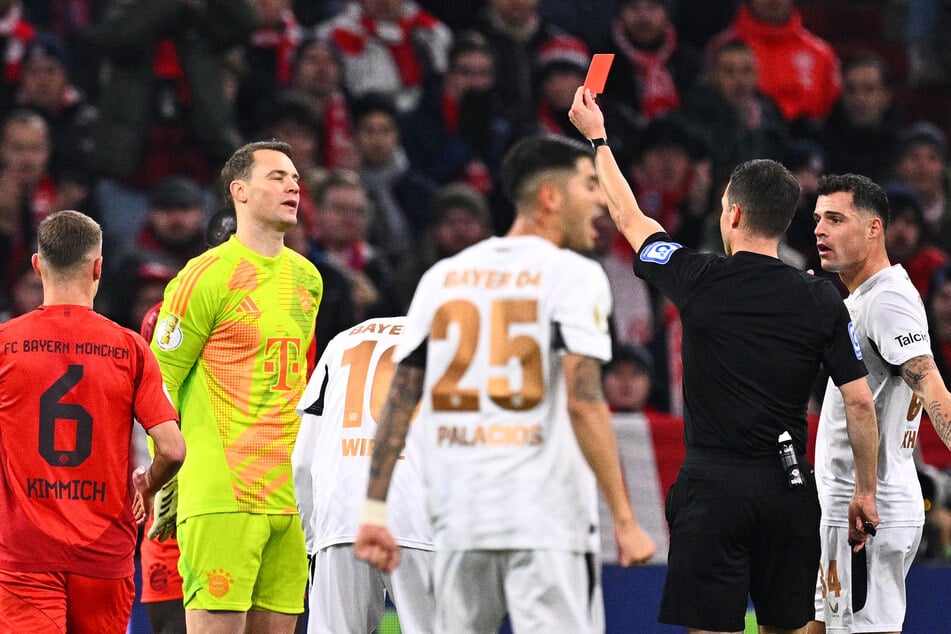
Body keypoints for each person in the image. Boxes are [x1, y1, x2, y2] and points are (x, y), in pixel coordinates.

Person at [569, 87, 880, 633]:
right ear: (785, 221)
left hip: (712, 490)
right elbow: (858, 399)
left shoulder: (696, 277)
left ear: (732, 213)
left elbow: (628, 215)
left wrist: (597, 136)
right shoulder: (820, 296)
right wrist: (866, 490)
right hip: (787, 489)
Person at [354, 134, 657, 633]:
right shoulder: (573, 276)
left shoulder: (442, 277)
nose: (601, 199)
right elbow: (583, 402)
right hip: (546, 521)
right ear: (550, 198)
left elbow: (401, 397)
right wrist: (624, 519)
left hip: (459, 519)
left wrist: (373, 509)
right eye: (589, 185)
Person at [149, 140, 323, 633]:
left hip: (290, 497)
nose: (293, 184)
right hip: (224, 493)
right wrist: (164, 473)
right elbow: (158, 380)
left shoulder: (308, 279)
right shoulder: (202, 277)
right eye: (276, 176)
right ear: (239, 191)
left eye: (295, 177)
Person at [0, 209, 185, 633]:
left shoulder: (5, 344)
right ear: (98, 267)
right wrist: (148, 485)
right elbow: (173, 449)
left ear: (37, 264)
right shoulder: (131, 348)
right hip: (105, 551)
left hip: (24, 552)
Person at [808, 174, 951, 633]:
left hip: (868, 511)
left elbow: (930, 384)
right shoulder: (861, 299)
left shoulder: (888, 299)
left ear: (874, 229)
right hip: (850, 505)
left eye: (835, 219)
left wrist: (865, 493)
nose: (819, 231)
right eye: (817, 220)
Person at [292, 316, 435, 633]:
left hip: (340, 516)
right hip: (418, 516)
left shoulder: (342, 340)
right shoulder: (453, 340)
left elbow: (302, 462)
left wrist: (314, 543)